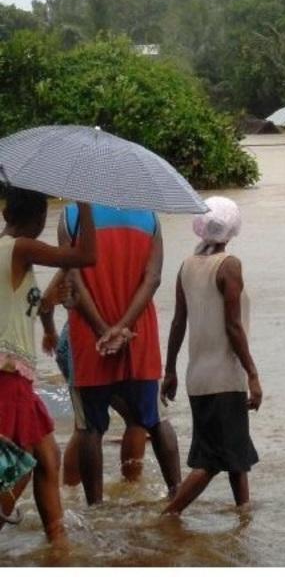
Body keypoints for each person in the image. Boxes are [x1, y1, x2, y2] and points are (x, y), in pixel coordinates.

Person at [60, 203, 180, 504]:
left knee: (90, 428)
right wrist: (123, 327)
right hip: (138, 336)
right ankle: (178, 497)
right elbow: (153, 278)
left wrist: (103, 330)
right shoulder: (149, 216)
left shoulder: (71, 216)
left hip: (88, 338)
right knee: (155, 420)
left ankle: (95, 508)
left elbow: (72, 278)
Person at [0, 189, 96, 544]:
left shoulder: (11, 253)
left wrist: (50, 324)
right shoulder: (20, 248)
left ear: (6, 213)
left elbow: (26, 304)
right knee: (17, 466)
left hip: (18, 374)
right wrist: (85, 202)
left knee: (48, 457)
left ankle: (57, 542)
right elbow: (87, 256)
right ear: (41, 220)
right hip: (8, 375)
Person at [163, 197, 262, 515]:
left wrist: (170, 371)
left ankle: (243, 513)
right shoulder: (229, 265)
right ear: (232, 230)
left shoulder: (186, 266)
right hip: (225, 377)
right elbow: (233, 326)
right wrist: (253, 374)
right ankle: (169, 516)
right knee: (212, 460)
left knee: (236, 453)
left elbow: (178, 323)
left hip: (198, 377)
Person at [38, 272, 148, 486]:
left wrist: (49, 332)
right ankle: (131, 487)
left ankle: (70, 490)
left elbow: (46, 301)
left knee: (84, 426)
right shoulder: (127, 261)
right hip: (110, 338)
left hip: (73, 341)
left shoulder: (78, 261)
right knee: (137, 419)